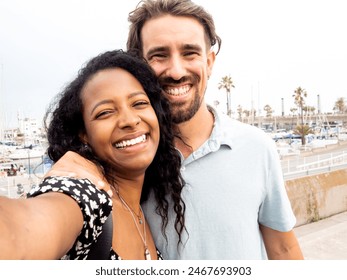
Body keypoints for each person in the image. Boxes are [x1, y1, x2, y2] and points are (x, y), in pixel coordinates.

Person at [46, 0, 303, 260]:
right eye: (159, 55)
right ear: (139, 66)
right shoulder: (123, 160)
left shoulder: (256, 147)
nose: (177, 71)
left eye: (190, 53)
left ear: (210, 62)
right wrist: (68, 173)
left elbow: (283, 249)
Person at [0, 49, 185, 260]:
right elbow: (20, 230)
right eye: (105, 112)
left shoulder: (145, 208)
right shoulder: (86, 195)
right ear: (84, 134)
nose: (130, 120)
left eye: (139, 103)